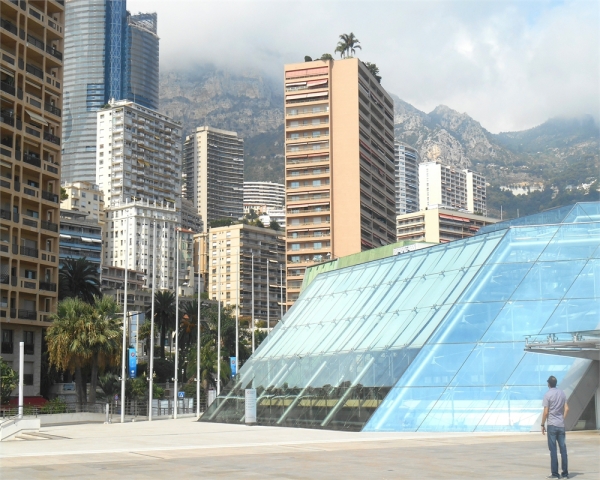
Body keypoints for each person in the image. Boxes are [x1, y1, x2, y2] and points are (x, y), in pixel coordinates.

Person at [541, 375, 569, 479]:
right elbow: (567, 409)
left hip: (552, 425)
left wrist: (542, 424)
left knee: (553, 450)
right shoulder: (562, 393)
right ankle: (565, 474)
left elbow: (546, 412)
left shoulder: (547, 395)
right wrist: (562, 419)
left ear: (548, 384)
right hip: (561, 425)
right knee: (563, 450)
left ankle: (555, 474)